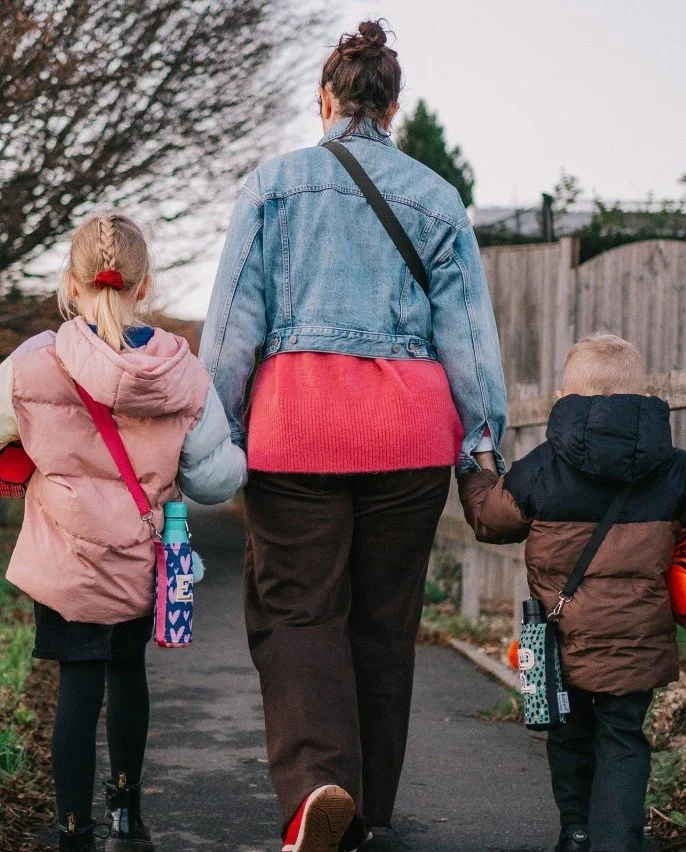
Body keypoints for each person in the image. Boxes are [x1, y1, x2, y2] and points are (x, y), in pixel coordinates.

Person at [200, 18, 506, 852]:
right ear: (392, 108)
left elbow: (232, 330)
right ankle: (367, 810)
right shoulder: (437, 198)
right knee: (383, 623)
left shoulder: (271, 186)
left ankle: (317, 789)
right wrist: (481, 448)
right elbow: (469, 338)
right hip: (409, 439)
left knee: (298, 612)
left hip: (296, 434)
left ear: (323, 100)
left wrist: (215, 437)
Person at [0, 213, 247, 852]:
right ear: (144, 286)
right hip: (139, 558)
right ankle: (127, 815)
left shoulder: (31, 365)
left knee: (77, 690)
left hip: (66, 562)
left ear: (70, 284)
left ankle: (72, 831)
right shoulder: (181, 372)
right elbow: (213, 480)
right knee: (128, 676)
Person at [459, 334, 681, 852]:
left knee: (568, 733)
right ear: (643, 395)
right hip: (636, 639)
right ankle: (616, 841)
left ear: (565, 399)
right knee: (622, 738)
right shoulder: (673, 468)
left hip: (562, 636)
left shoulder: (544, 466)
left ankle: (577, 832)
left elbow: (491, 522)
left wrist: (476, 471)